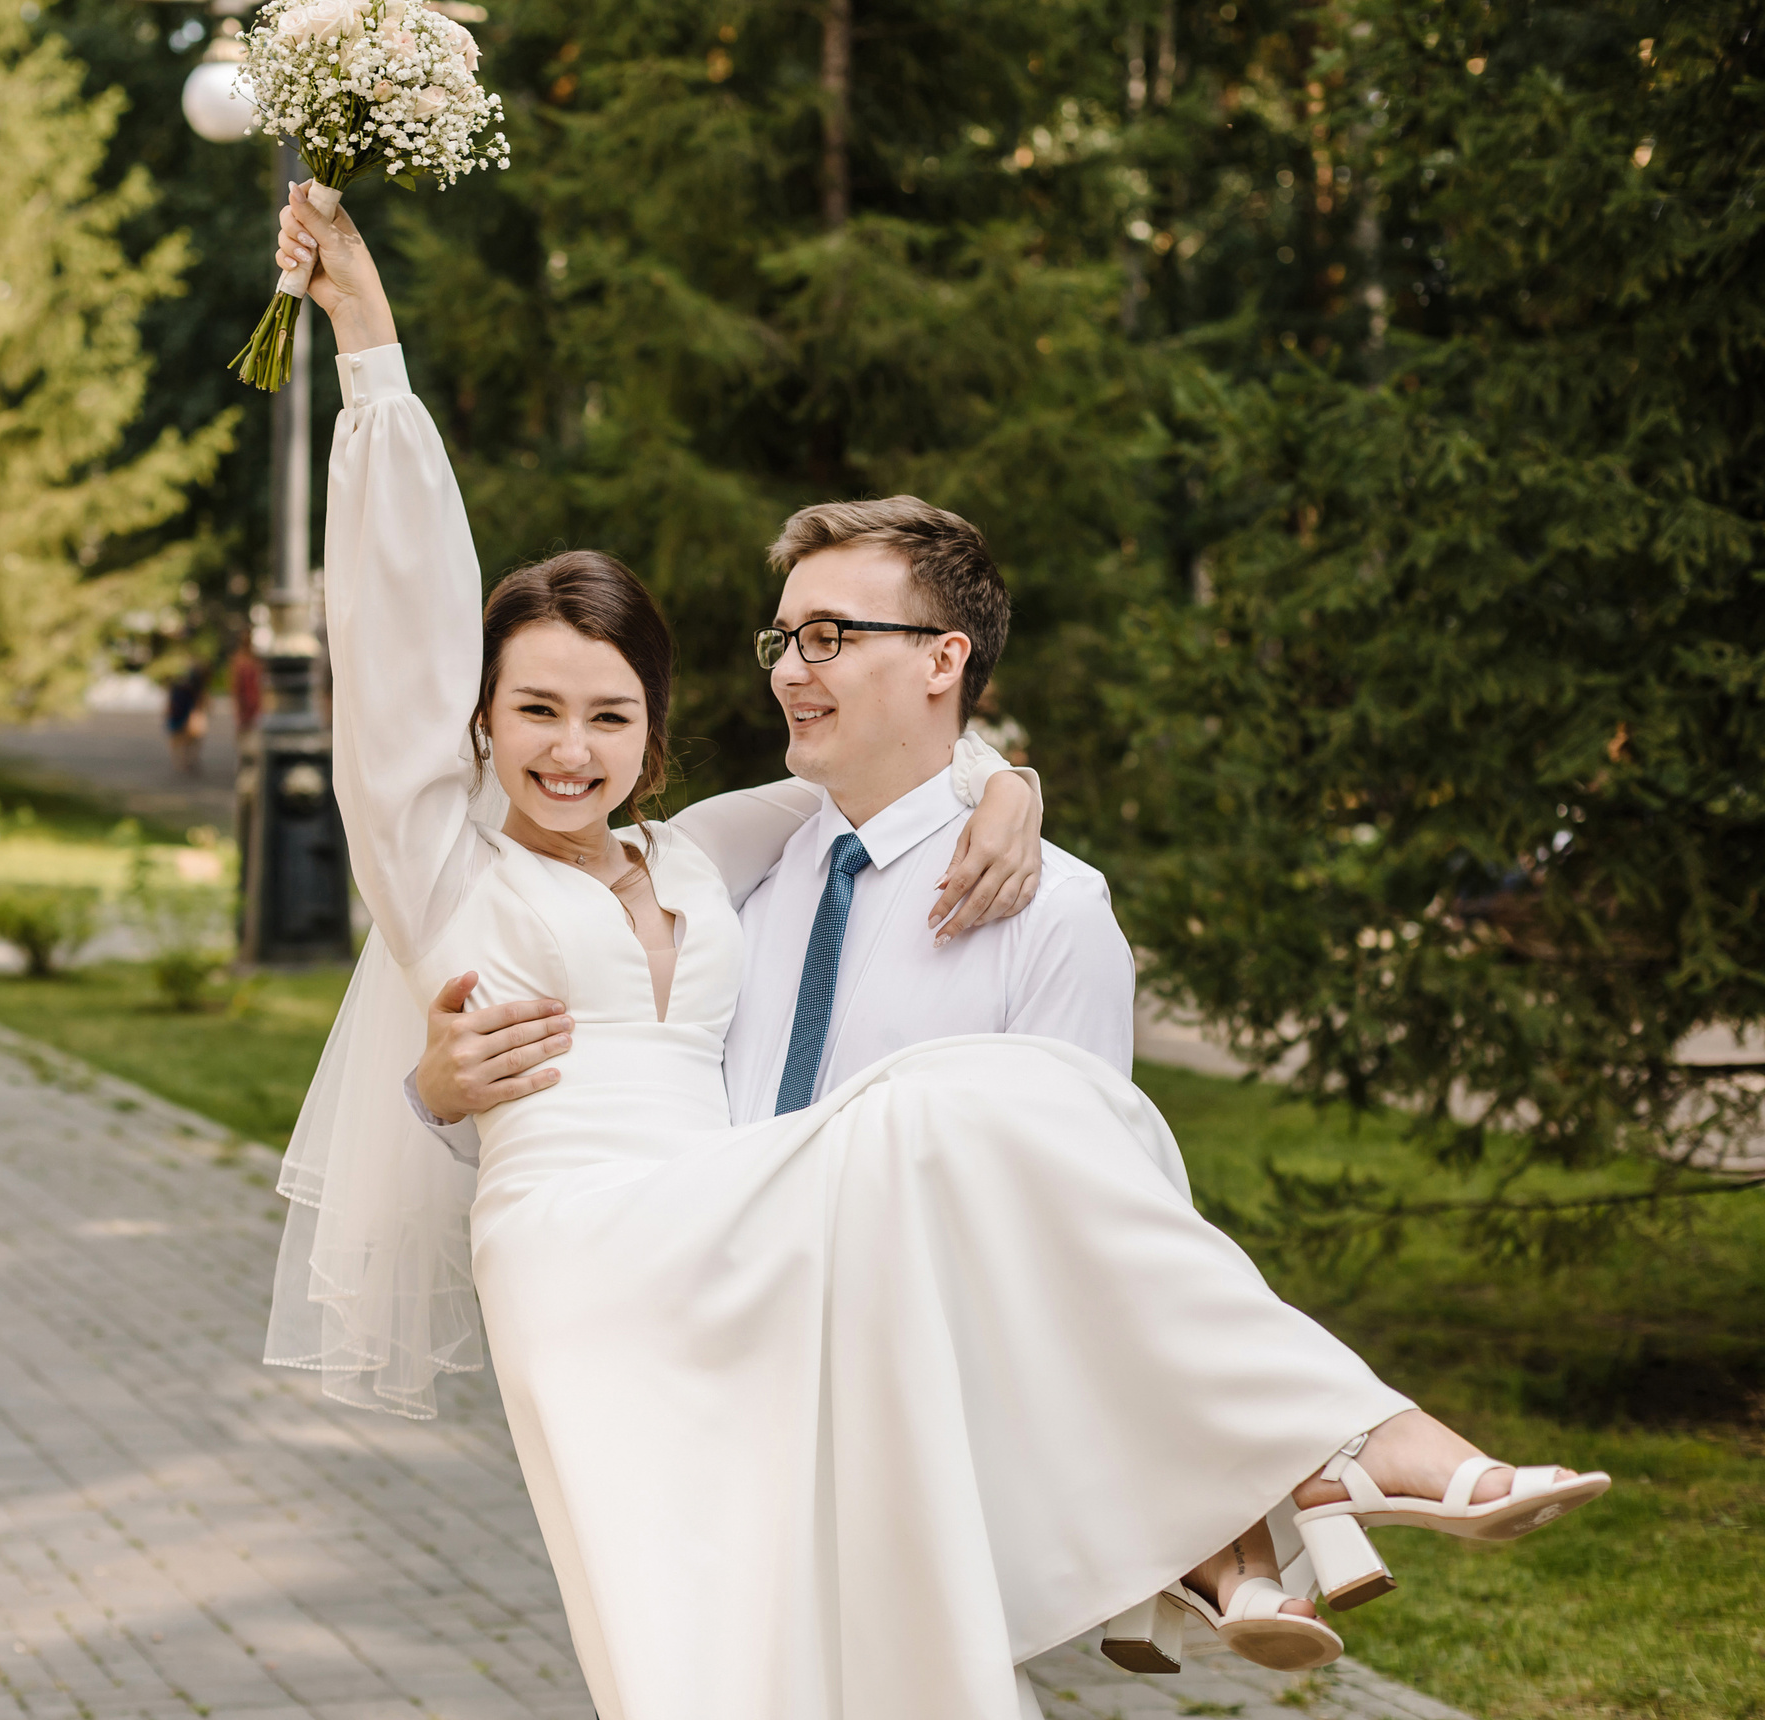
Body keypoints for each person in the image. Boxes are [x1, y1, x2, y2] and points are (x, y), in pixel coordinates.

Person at [263, 184, 1608, 1720]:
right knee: (951, 1099)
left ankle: (1288, 1469)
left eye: (610, 714)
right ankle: (1342, 1443)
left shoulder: (705, 853)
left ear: (652, 731)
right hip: (592, 1257)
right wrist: (367, 344)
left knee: (786, 1650)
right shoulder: (452, 865)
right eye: (535, 714)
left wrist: (1005, 778)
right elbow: (396, 621)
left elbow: (903, 767)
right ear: (481, 726)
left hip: (758, 1266)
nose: (568, 752)